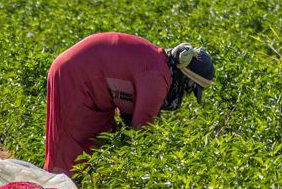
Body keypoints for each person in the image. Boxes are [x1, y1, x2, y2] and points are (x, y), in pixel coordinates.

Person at [43, 32, 214, 177]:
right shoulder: (156, 78)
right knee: (72, 148)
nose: (185, 94)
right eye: (189, 89)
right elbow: (141, 131)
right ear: (184, 77)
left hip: (88, 79)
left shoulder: (158, 63)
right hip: (74, 75)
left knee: (99, 141)